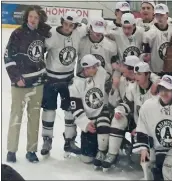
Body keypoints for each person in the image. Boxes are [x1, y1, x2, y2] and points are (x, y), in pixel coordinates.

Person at [4, 5, 50, 163]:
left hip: (38, 82)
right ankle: (11, 150)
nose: (33, 20)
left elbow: (50, 36)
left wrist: (42, 24)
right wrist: (16, 77)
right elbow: (8, 56)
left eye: (36, 17)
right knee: (16, 116)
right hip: (21, 83)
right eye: (30, 17)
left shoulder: (42, 33)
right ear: (26, 17)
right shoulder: (17, 33)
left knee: (34, 117)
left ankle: (31, 150)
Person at [41, 11, 87, 157]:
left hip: (68, 79)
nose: (67, 27)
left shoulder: (79, 32)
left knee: (70, 110)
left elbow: (92, 26)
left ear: (75, 25)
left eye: (71, 25)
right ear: (61, 22)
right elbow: (40, 52)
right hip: (51, 79)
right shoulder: (52, 34)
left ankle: (70, 140)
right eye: (65, 24)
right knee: (49, 110)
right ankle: (47, 139)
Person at [133, 75, 172, 180]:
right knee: (153, 165)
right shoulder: (148, 105)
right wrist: (143, 149)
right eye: (161, 89)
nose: (163, 93)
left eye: (168, 90)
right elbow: (142, 128)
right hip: (158, 149)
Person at [102, 61, 157, 172]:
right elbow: (128, 104)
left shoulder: (157, 90)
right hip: (138, 124)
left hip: (153, 128)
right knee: (118, 119)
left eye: (139, 74)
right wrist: (119, 110)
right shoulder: (133, 88)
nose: (136, 77)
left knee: (144, 162)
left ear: (147, 75)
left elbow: (157, 115)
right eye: (136, 74)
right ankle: (112, 153)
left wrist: (141, 128)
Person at [68, 54, 112, 167]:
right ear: (86, 68)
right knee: (87, 159)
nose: (96, 68)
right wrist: (86, 124)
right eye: (93, 67)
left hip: (102, 113)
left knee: (104, 131)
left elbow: (105, 70)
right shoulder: (75, 83)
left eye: (96, 66)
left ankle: (108, 150)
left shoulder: (100, 73)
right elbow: (75, 107)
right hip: (89, 120)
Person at [142, 3, 172, 74]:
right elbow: (146, 52)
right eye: (157, 15)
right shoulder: (150, 32)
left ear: (167, 15)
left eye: (162, 15)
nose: (159, 17)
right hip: (156, 71)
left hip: (170, 69)